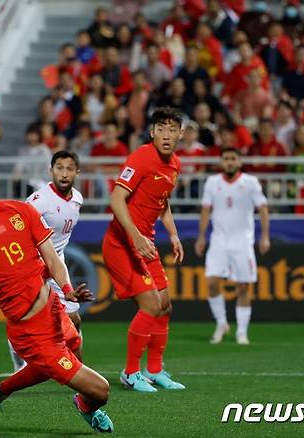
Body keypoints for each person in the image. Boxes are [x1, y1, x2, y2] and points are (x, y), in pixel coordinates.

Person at [0, 158, 113, 433]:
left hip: (53, 307)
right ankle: (85, 405)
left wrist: (68, 289)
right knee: (100, 391)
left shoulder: (21, 210)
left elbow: (52, 257)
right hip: (30, 330)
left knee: (73, 348)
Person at [102, 107, 186, 393]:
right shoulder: (141, 157)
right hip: (121, 244)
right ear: (152, 132)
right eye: (161, 128)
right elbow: (116, 199)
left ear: (181, 134)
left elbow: (161, 201)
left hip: (144, 243)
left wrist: (173, 234)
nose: (166, 134)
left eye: (172, 129)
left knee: (165, 306)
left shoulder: (174, 165)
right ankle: (130, 372)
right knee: (151, 305)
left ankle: (155, 369)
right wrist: (135, 235)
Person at [8, 150, 84, 372]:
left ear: (77, 172)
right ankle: (19, 362)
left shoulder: (77, 198)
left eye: (69, 168)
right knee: (25, 319)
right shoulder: (39, 200)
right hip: (32, 266)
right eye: (59, 168)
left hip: (57, 264)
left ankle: (71, 364)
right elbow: (16, 223)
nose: (64, 173)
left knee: (73, 318)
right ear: (50, 171)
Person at [195, 147, 271, 345]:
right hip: (219, 240)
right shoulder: (212, 183)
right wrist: (201, 237)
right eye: (226, 158)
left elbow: (263, 208)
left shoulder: (250, 183)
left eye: (233, 158)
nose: (229, 162)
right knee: (211, 282)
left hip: (243, 242)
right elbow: (205, 210)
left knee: (243, 286)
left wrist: (264, 236)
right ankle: (222, 323)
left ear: (239, 161)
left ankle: (242, 332)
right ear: (221, 162)